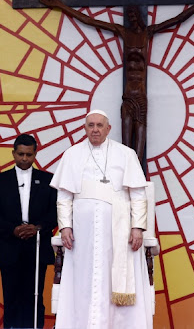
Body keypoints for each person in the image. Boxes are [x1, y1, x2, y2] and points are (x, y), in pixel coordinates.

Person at [39, 0, 194, 165]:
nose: (132, 17)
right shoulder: (123, 31)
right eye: (129, 15)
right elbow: (89, 20)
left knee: (137, 152)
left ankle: (136, 184)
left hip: (141, 97)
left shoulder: (147, 33)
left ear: (139, 15)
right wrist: (60, 5)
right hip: (128, 97)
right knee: (124, 147)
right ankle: (123, 182)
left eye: (133, 14)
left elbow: (178, 18)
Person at [49, 110, 152, 329]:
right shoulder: (72, 154)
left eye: (99, 125)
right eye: (90, 125)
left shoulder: (126, 154)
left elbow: (138, 195)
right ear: (85, 128)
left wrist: (137, 227)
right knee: (84, 281)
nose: (95, 129)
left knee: (112, 279)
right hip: (83, 234)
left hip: (118, 233)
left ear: (108, 128)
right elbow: (64, 197)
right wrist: (65, 226)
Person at [0, 134, 57, 328]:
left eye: (29, 154)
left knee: (35, 297)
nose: (24, 159)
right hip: (10, 246)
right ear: (13, 153)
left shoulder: (48, 179)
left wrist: (38, 228)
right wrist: (14, 229)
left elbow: (55, 212)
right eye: (20, 154)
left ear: (35, 154)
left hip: (37, 247)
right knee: (12, 298)